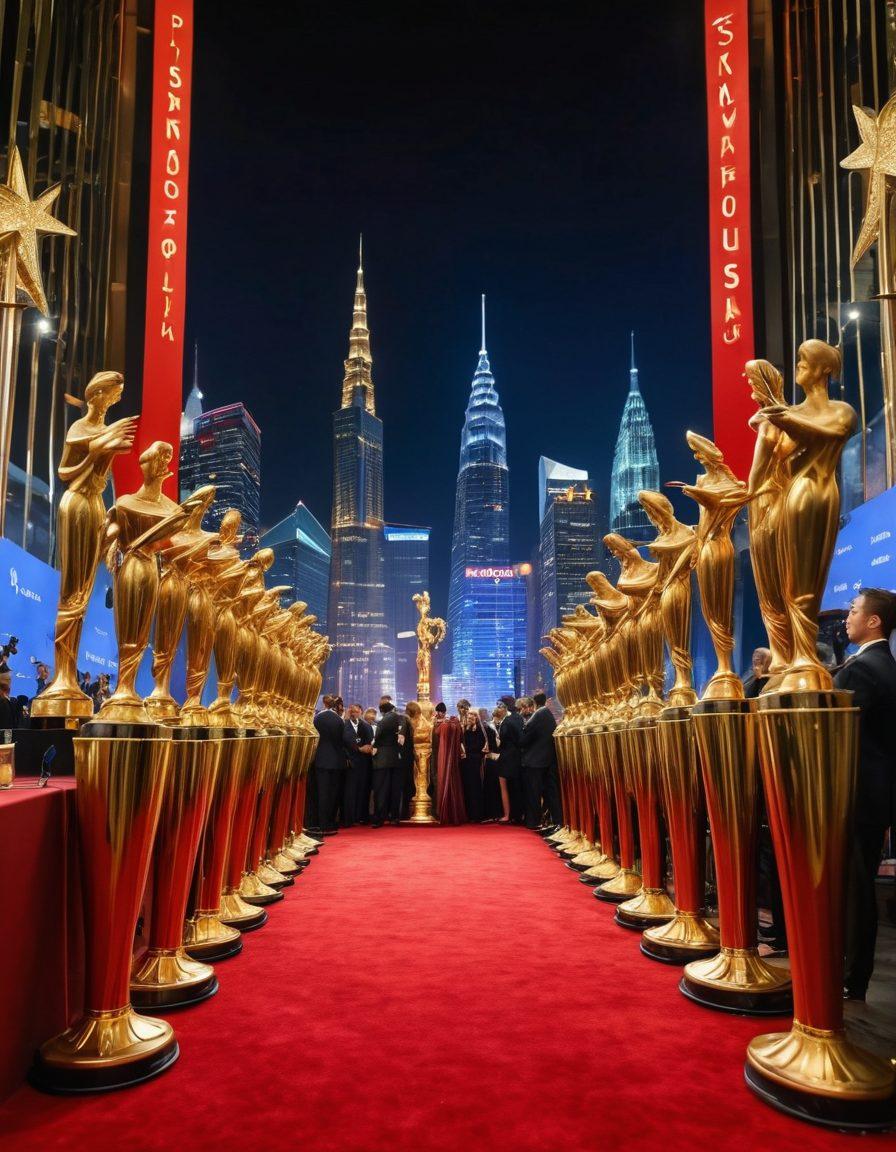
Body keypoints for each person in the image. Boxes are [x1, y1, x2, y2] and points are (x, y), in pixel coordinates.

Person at [834, 589, 896, 1002]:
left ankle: (849, 977)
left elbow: (836, 735)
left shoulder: (862, 669)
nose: (847, 618)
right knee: (859, 886)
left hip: (854, 796)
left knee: (853, 890)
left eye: (854, 611)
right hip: (875, 798)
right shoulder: (886, 665)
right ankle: (853, 975)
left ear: (874, 621)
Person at [312, 694, 352, 835]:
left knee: (322, 793)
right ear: (338, 706)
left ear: (325, 704)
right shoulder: (339, 721)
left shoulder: (317, 718)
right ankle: (329, 823)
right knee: (332, 794)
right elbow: (345, 741)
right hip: (336, 761)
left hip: (321, 759)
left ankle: (321, 823)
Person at [520, 692, 559, 830]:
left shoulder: (538, 714)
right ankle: (554, 821)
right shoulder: (547, 714)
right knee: (550, 793)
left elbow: (524, 738)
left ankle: (534, 822)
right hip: (547, 759)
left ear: (534, 703)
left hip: (535, 762)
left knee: (534, 793)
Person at [371, 700, 406, 826]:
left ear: (382, 711)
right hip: (397, 758)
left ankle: (379, 818)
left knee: (381, 789)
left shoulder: (383, 721)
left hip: (382, 759)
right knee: (395, 789)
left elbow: (377, 738)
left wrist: (374, 746)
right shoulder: (401, 719)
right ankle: (394, 816)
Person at [343, 703, 374, 826]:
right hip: (349, 763)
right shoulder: (344, 725)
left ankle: (362, 816)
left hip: (364, 763)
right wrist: (359, 749)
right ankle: (349, 818)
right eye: (352, 712)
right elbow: (343, 742)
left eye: (356, 711)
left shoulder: (367, 726)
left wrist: (368, 748)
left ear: (361, 712)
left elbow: (370, 741)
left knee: (363, 790)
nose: (354, 714)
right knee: (349, 792)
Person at [494, 702, 524, 823]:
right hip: (517, 757)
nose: (498, 708)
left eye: (499, 706)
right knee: (517, 787)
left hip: (507, 757)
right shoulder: (518, 718)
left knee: (505, 787)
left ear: (505, 708)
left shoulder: (507, 722)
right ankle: (517, 815)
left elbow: (503, 741)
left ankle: (507, 815)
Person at [436, 702, 465, 825]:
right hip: (452, 758)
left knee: (444, 779)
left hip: (443, 757)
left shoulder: (444, 724)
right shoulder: (454, 724)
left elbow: (436, 733)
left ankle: (444, 811)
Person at [460, 703, 487, 823]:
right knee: (467, 787)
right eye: (469, 714)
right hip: (466, 762)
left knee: (475, 787)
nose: (470, 716)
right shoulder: (465, 730)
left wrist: (468, 751)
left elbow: (480, 747)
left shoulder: (480, 730)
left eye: (473, 715)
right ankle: (468, 814)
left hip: (475, 762)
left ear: (477, 717)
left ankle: (477, 814)